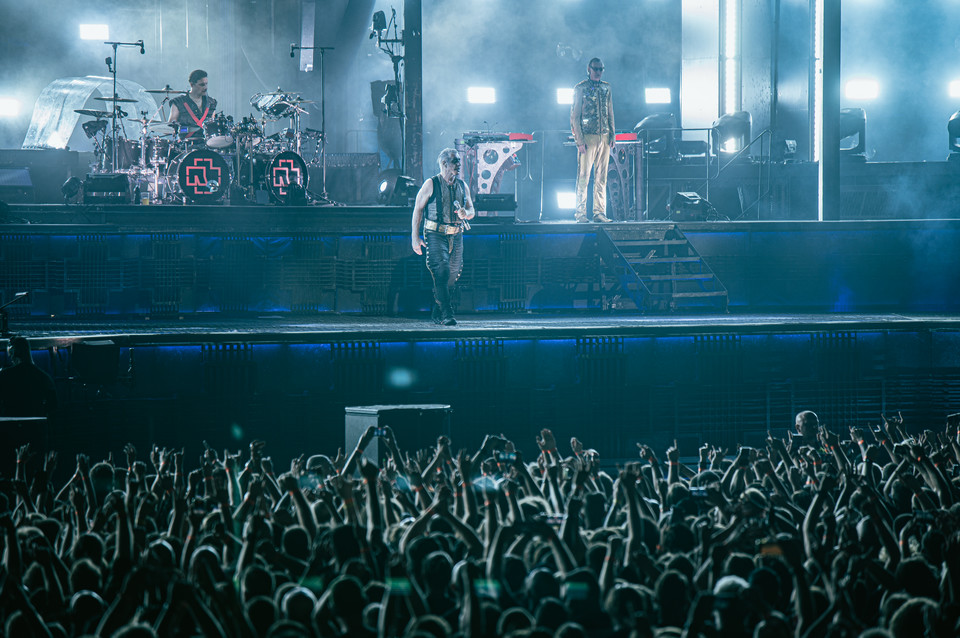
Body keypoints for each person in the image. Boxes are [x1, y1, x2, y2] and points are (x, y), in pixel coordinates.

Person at [411, 148, 476, 326]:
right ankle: (447, 313)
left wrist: (466, 213)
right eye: (455, 161)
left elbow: (472, 210)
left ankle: (437, 310)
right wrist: (415, 237)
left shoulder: (463, 185)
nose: (458, 164)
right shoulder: (431, 184)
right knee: (442, 271)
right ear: (444, 164)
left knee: (452, 275)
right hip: (435, 234)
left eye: (459, 161)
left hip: (456, 235)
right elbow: (418, 209)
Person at [570, 57, 615, 223]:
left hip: (604, 136)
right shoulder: (580, 88)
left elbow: (610, 112)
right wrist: (579, 141)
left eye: (601, 69)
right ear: (589, 69)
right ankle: (580, 213)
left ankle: (599, 212)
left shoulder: (606, 88)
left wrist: (612, 135)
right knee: (583, 176)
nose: (598, 72)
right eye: (595, 69)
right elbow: (574, 116)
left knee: (602, 176)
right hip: (588, 137)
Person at [0, 335, 57, 416]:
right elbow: (53, 405)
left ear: (13, 353)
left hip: (11, 422)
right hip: (35, 423)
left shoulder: (5, 375)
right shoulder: (43, 376)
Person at [168, 69, 217, 145]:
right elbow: (170, 127)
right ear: (192, 85)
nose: (205, 87)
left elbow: (213, 124)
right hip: (185, 146)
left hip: (207, 145)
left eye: (206, 84)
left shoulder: (211, 103)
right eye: (202, 85)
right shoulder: (178, 102)